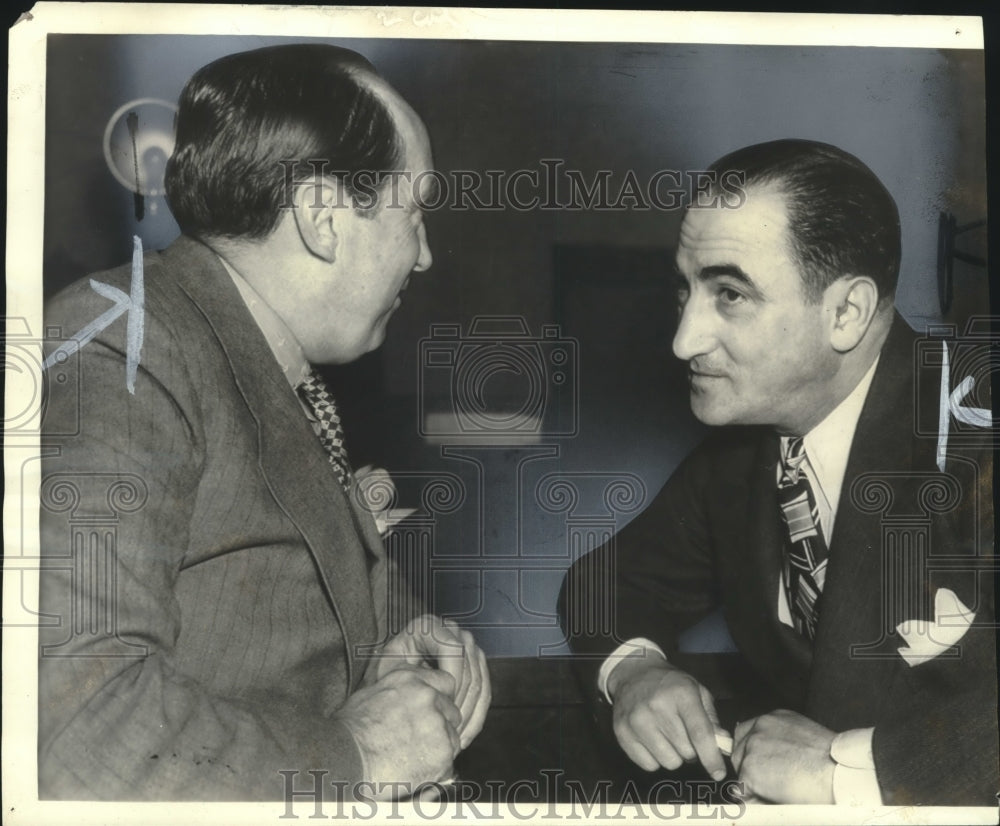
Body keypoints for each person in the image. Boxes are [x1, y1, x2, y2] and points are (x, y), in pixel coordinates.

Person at [38, 44, 490, 801]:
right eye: (414, 212)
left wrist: (403, 634)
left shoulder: (267, 364)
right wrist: (357, 754)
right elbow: (80, 730)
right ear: (321, 216)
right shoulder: (122, 342)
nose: (424, 255)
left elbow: (280, 585)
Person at [561, 139, 996, 805]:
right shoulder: (746, 452)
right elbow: (606, 582)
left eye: (729, 294)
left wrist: (841, 772)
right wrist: (637, 670)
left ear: (846, 313)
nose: (682, 340)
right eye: (686, 288)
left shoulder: (978, 432)